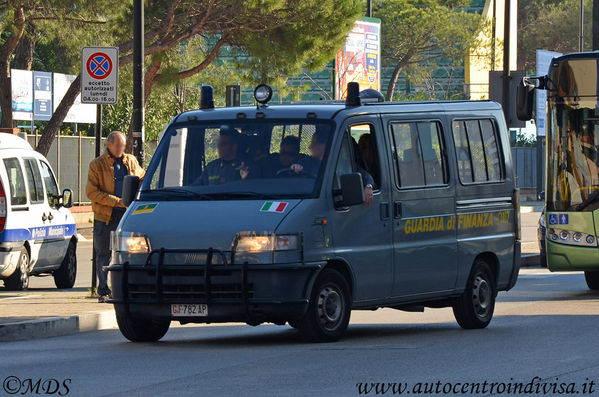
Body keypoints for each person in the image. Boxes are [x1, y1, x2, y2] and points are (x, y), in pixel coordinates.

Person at [86, 131, 145, 302]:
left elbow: (142, 176)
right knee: (103, 253)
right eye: (118, 145)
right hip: (106, 216)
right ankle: (103, 290)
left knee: (131, 252)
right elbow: (92, 192)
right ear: (109, 145)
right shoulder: (96, 165)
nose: (121, 149)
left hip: (128, 214)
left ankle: (130, 288)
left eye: (123, 146)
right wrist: (116, 201)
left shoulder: (130, 161)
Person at [291, 130, 374, 205]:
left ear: (324, 146)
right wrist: (295, 167)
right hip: (309, 199)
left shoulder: (341, 162)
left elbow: (365, 175)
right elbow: (295, 167)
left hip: (336, 201)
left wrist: (368, 186)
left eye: (313, 143)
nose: (310, 147)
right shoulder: (307, 162)